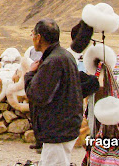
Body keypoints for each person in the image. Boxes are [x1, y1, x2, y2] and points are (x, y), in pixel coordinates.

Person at [24, 19, 83, 166]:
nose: (32, 38)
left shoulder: (53, 61)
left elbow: (37, 94)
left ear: (38, 37)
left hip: (57, 128)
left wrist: (29, 75)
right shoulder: (63, 56)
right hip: (65, 124)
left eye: (33, 34)